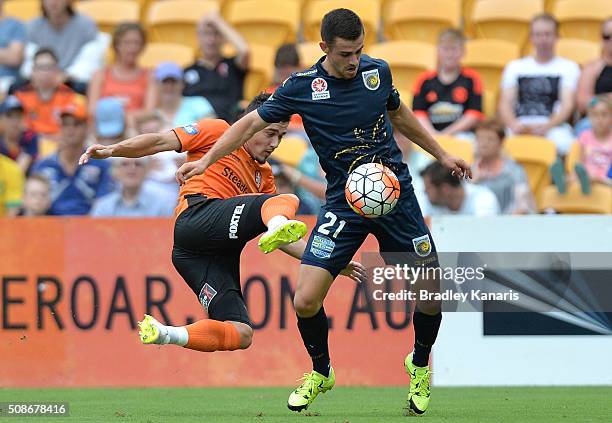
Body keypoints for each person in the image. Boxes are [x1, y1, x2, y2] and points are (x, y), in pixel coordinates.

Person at [174, 8, 471, 416]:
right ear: (324, 48)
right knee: (305, 299)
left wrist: (442, 152)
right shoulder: (300, 88)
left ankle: (418, 365)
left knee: (431, 295)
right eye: (347, 53)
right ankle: (321, 371)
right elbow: (245, 126)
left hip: (393, 195)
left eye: (359, 51)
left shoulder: (377, 73)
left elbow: (400, 113)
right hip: (343, 204)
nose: (355, 61)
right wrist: (205, 163)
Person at [79, 93, 365, 361]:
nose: (275, 143)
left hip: (197, 256)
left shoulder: (264, 177)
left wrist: (327, 262)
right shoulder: (217, 132)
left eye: (281, 136)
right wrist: (113, 150)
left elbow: (282, 239)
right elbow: (158, 142)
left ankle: (164, 333)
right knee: (284, 200)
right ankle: (277, 220)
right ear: (250, 126)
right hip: (195, 220)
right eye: (270, 133)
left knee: (242, 333)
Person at [499, 14, 580, 156]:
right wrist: (513, 124)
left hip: (554, 127)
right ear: (531, 37)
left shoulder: (569, 67)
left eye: (547, 34)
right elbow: (505, 103)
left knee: (568, 146)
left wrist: (547, 126)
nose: (543, 39)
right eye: (538, 34)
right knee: (490, 145)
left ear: (557, 37)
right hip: (519, 125)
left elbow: (567, 105)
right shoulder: (515, 67)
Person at [31, 98, 113, 215]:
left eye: (76, 124)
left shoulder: (101, 165)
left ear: (87, 128)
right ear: (60, 128)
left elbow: (105, 202)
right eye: (65, 124)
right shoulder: (44, 166)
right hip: (50, 227)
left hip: (91, 227)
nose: (70, 130)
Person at [412, 29, 483, 138]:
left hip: (462, 135)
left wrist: (446, 134)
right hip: (430, 134)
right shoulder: (424, 80)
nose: (449, 54)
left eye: (454, 49)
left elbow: (474, 114)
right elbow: (418, 113)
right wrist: (433, 135)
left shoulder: (472, 78)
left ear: (463, 52)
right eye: (445, 49)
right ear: (438, 51)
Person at [183, 11, 249, 123]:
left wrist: (219, 23)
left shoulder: (232, 65)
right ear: (198, 37)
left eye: (216, 34)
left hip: (230, 127)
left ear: (224, 38)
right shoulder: (187, 72)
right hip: (196, 131)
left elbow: (245, 51)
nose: (211, 40)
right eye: (206, 34)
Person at [22, 0, 102, 88]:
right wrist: (44, 76)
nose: (53, 2)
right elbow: (28, 64)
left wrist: (65, 76)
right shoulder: (33, 26)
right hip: (41, 80)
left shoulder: (85, 24)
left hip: (73, 81)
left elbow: (90, 61)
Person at [87, 23, 156, 118]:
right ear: (117, 45)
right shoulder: (100, 75)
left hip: (136, 128)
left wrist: (123, 116)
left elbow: (149, 112)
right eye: (127, 43)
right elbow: (92, 110)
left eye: (137, 43)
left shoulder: (149, 76)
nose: (132, 48)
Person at [472, 119, 535, 214]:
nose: (484, 144)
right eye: (480, 139)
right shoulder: (469, 172)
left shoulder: (514, 171)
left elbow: (523, 206)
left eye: (490, 139)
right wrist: (473, 182)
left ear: (501, 142)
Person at [14, 48, 78, 138]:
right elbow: (20, 128)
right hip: (30, 145)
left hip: (61, 144)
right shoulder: (21, 96)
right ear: (33, 71)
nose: (45, 72)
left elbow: (73, 129)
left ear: (57, 70)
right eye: (40, 67)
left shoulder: (69, 95)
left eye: (49, 67)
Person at [90, 157, 176, 217]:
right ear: (115, 171)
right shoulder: (103, 206)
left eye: (138, 164)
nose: (131, 169)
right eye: (124, 164)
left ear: (147, 170)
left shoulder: (163, 204)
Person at [420, 161, 500, 216]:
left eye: (428, 188)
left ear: (445, 189)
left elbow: (484, 234)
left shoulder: (484, 199)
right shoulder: (427, 202)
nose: (425, 191)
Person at [575, 18, 612, 135]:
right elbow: (582, 102)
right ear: (601, 39)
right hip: (597, 120)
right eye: (607, 37)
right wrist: (607, 100)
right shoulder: (591, 68)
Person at [154, 61, 215, 130]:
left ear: (182, 84)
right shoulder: (151, 115)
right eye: (165, 82)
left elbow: (211, 131)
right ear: (156, 85)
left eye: (174, 82)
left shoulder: (199, 103)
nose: (169, 87)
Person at [0, 95, 39, 174]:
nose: (15, 121)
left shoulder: (29, 137)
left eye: (18, 116)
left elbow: (20, 170)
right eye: (9, 116)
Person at [0, 0, 26, 95]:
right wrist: (5, 53)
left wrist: (9, 55)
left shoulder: (15, 25)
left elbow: (14, 58)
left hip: (7, 81)